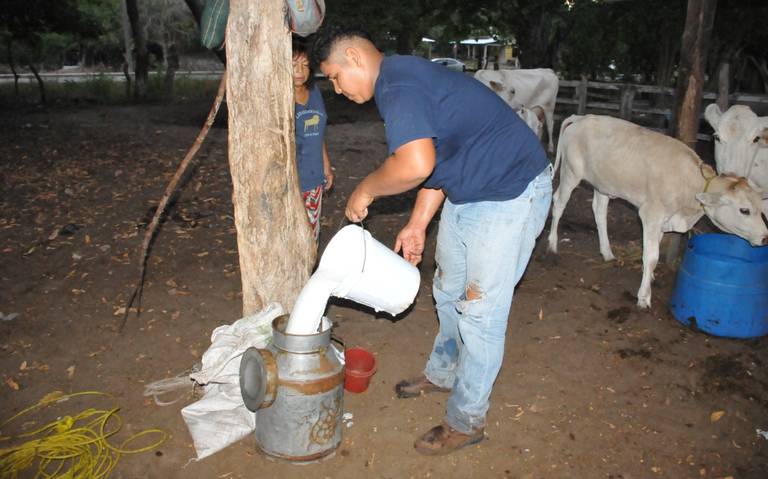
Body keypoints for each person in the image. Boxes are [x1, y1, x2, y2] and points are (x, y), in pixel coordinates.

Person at [312, 26, 553, 455]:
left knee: (480, 314)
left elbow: (415, 164)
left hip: (511, 192)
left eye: (333, 76)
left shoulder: (398, 84)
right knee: (446, 290)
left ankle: (466, 421)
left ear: (353, 56)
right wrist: (418, 223)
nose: (336, 88)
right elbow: (438, 157)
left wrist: (365, 188)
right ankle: (443, 373)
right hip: (471, 190)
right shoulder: (403, 80)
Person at [293, 38, 334, 242]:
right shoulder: (277, 97)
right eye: (294, 65)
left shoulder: (315, 92)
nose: (300, 70)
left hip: (314, 177)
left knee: (311, 234)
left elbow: (318, 132)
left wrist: (326, 166)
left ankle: (308, 273)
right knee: (291, 235)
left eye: (305, 64)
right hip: (289, 181)